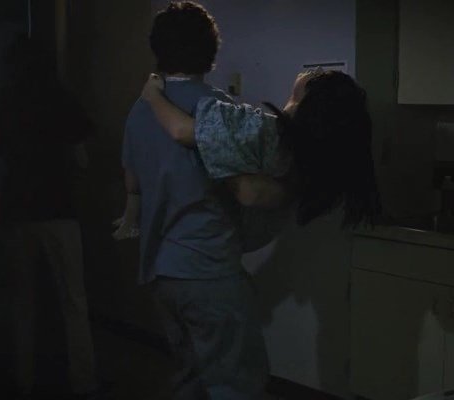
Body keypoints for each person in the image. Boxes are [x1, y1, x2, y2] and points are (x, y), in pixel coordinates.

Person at [118, 2, 271, 398]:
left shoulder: (141, 110)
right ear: (210, 50)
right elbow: (249, 189)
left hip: (163, 272)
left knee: (188, 377)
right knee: (233, 382)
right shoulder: (221, 109)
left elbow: (133, 182)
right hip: (209, 269)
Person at [130, 68, 380, 233]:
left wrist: (152, 95)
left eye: (317, 74)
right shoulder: (306, 153)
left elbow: (180, 130)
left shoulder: (262, 129)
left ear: (310, 100)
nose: (312, 71)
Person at [0, 38, 99, 400]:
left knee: (21, 300)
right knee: (74, 300)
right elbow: (82, 158)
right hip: (58, 208)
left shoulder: (7, 102)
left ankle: (23, 380)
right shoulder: (61, 99)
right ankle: (84, 382)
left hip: (18, 209)